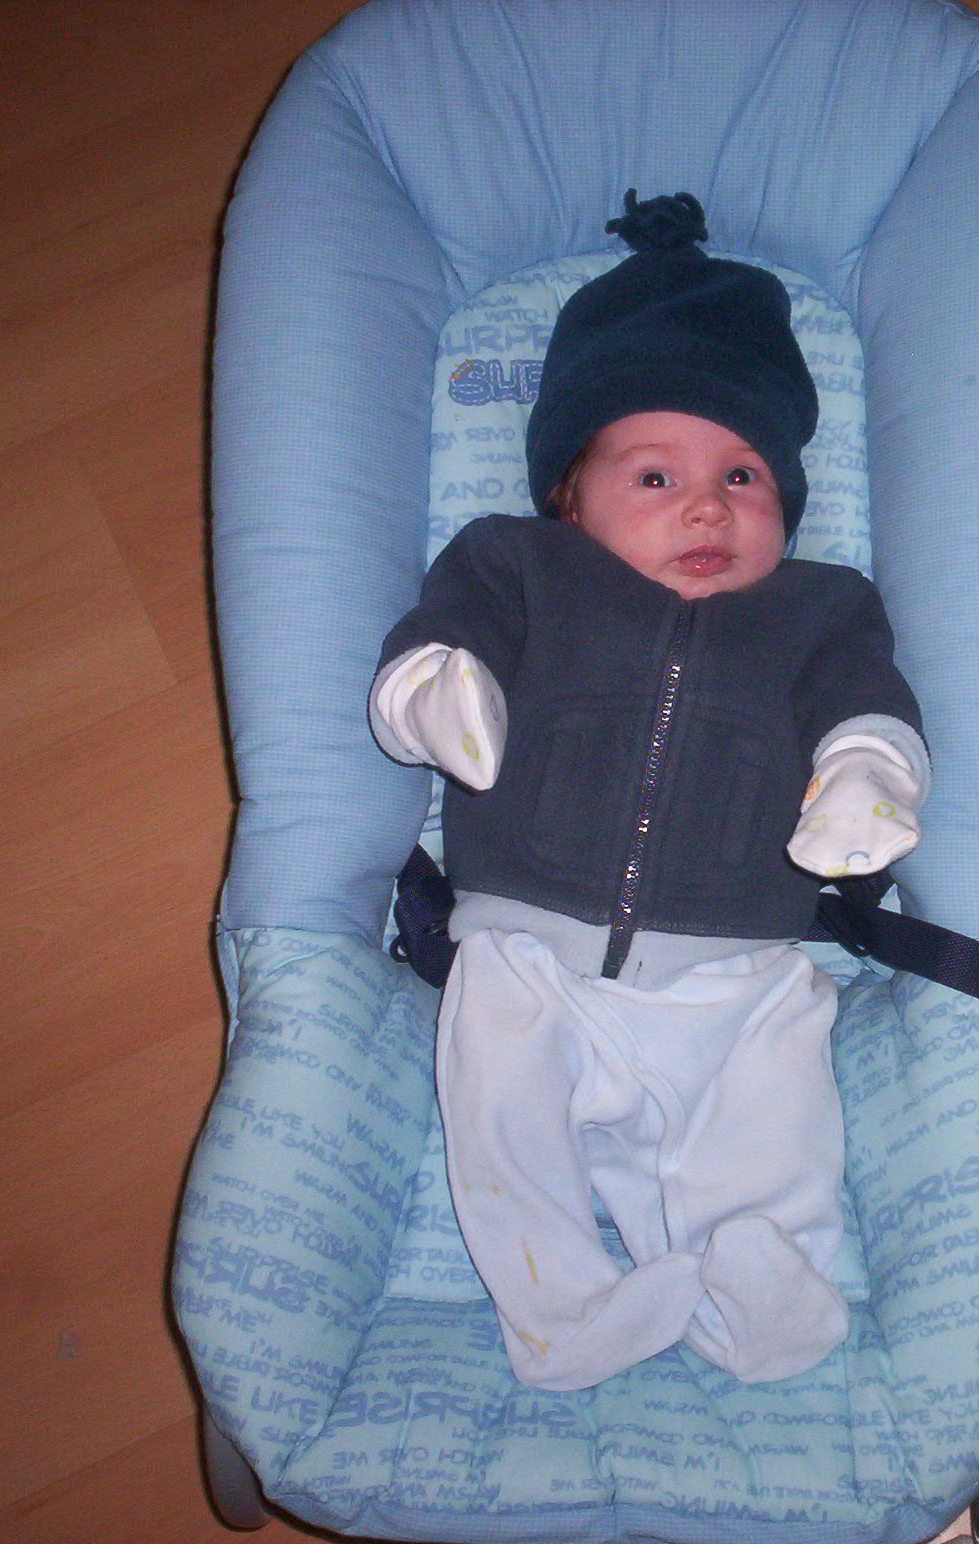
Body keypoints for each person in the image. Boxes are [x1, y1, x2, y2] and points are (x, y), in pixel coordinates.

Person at [369, 192, 929, 1391]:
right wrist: (434, 689)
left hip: (739, 970)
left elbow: (870, 707)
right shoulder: (518, 564)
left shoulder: (821, 610)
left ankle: (761, 1295)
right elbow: (436, 643)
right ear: (568, 497)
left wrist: (868, 772)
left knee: (771, 1120)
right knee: (500, 1112)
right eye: (656, 473)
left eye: (744, 474)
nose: (706, 504)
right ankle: (561, 1307)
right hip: (527, 951)